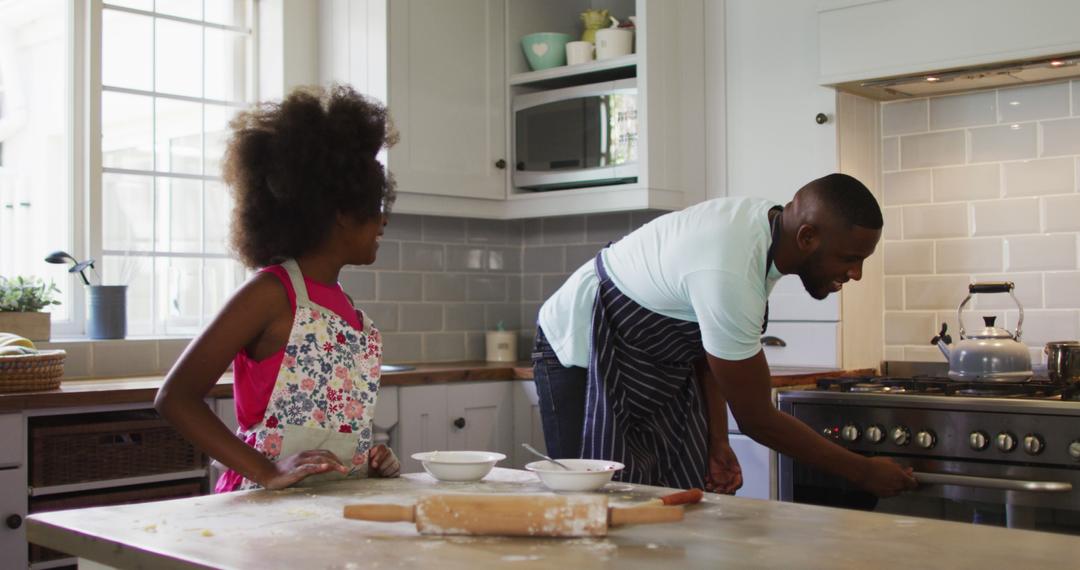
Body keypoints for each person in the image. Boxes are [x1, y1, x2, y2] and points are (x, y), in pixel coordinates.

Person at [533, 173, 917, 497]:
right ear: (807, 237)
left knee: (662, 503)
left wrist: (718, 441)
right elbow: (757, 418)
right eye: (850, 258)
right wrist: (862, 472)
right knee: (588, 501)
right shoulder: (732, 268)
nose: (856, 274)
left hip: (649, 363)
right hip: (579, 351)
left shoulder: (766, 231)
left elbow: (709, 343)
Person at [156, 85, 401, 491]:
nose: (383, 222)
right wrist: (268, 470)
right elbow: (175, 397)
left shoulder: (347, 309)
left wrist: (366, 459)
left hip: (325, 511)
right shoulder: (270, 294)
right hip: (259, 510)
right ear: (341, 212)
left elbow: (330, 432)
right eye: (376, 208)